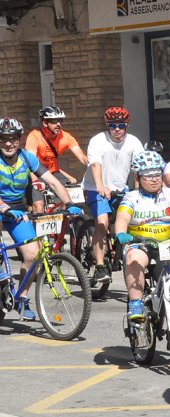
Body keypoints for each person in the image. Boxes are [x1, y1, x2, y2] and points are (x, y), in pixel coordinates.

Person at [0, 117, 82, 320]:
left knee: (33, 254)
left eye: (13, 138)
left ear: (19, 140)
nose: (8, 143)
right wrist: (4, 208)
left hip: (17, 209)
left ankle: (21, 298)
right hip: (3, 206)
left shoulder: (27, 158)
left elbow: (53, 182)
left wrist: (69, 204)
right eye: (3, 139)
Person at [114, 151, 170, 321]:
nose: (154, 179)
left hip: (167, 245)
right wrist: (121, 233)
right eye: (148, 175)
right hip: (141, 243)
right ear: (138, 177)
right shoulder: (132, 197)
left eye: (157, 174)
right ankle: (136, 302)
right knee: (134, 257)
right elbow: (122, 217)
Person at [82, 106, 144, 286]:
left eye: (121, 125)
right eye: (113, 125)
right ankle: (100, 266)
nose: (117, 129)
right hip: (95, 187)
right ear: (107, 125)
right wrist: (101, 186)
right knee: (102, 222)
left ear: (127, 125)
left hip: (121, 189)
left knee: (132, 221)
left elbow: (138, 171)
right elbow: (95, 165)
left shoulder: (134, 142)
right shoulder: (98, 141)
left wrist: (138, 192)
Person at [24, 106, 87, 214]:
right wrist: (35, 182)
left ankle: (64, 225)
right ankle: (35, 229)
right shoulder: (34, 136)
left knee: (72, 198)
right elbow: (30, 163)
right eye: (54, 121)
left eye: (60, 120)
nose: (58, 124)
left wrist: (96, 167)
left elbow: (82, 157)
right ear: (45, 123)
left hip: (54, 173)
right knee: (38, 206)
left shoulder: (65, 137)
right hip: (36, 174)